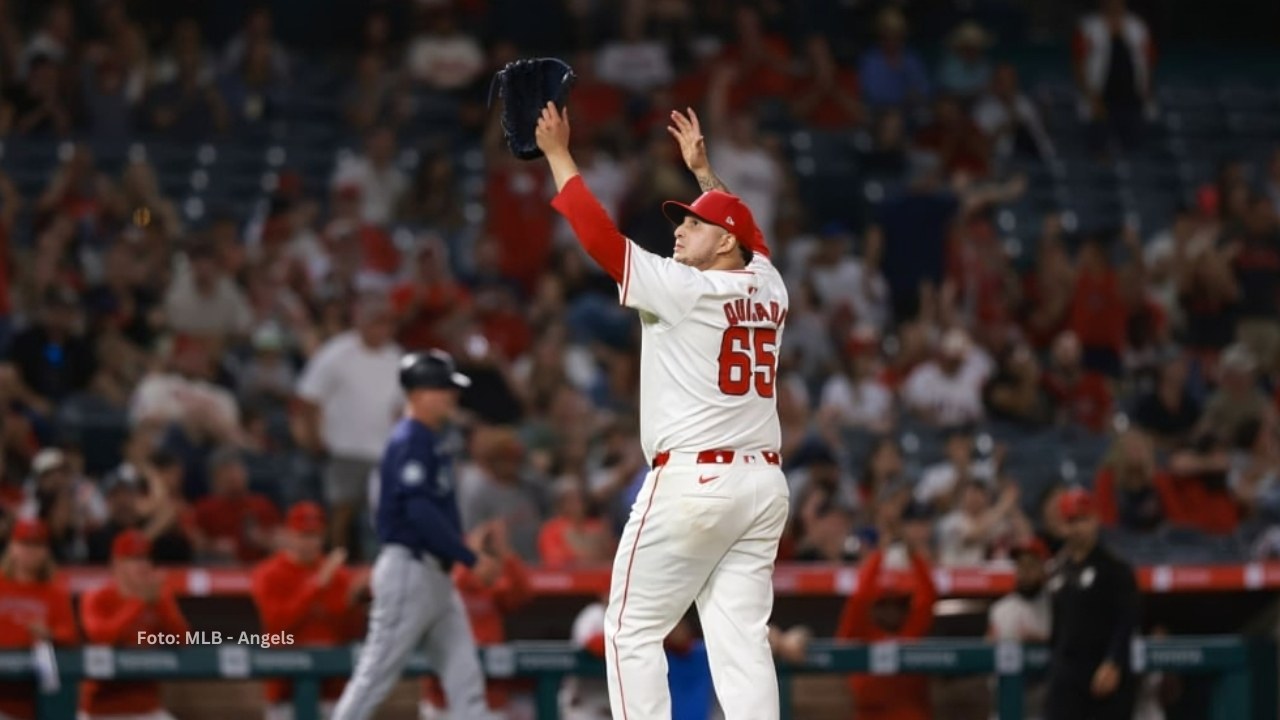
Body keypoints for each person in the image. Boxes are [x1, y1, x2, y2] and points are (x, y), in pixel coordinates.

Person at [537, 102, 790, 720]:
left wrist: (558, 155)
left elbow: (600, 239)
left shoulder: (686, 290)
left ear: (722, 241)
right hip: (762, 485)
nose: (678, 231)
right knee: (742, 644)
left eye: (694, 225)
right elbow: (750, 236)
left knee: (628, 631)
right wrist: (704, 175)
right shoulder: (770, 285)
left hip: (695, 484)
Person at [331, 350, 502, 720]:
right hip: (410, 570)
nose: (452, 397)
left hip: (435, 576)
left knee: (465, 679)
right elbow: (419, 512)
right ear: (421, 392)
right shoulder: (411, 439)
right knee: (374, 677)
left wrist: (459, 551)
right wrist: (470, 558)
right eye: (444, 389)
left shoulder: (429, 438)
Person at [252, 502, 368, 720]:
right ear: (289, 535)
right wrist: (315, 586)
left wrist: (356, 603)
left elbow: (348, 633)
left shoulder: (339, 575)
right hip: (285, 692)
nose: (309, 542)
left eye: (314, 535)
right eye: (302, 535)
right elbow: (277, 625)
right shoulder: (268, 573)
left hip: (333, 692)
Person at [1045, 488, 1139, 720]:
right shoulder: (1057, 569)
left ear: (1096, 519)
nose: (1079, 527)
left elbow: (1128, 619)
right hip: (1066, 675)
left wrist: (1113, 662)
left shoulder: (1115, 569)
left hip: (1102, 671)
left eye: (1084, 519)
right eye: (1072, 520)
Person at [79, 530, 189, 720]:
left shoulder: (159, 597)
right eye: (134, 559)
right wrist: (139, 604)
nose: (144, 565)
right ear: (116, 564)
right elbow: (103, 637)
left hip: (146, 707)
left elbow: (183, 640)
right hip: (102, 709)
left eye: (146, 559)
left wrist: (161, 604)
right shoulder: (97, 597)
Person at [835, 541, 937, 720]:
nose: (892, 611)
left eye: (899, 605)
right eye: (885, 604)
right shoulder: (861, 632)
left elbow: (928, 597)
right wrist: (879, 555)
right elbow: (859, 599)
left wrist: (914, 556)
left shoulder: (910, 632)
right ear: (874, 607)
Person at [0, 519, 78, 720]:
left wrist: (50, 634)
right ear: (13, 548)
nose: (31, 552)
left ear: (46, 552)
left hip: (30, 696)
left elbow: (70, 634)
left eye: (37, 545)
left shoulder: (55, 592)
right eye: (25, 544)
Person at [987, 538, 1052, 720]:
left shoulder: (1058, 607)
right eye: (1020, 565)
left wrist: (1044, 643)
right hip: (1007, 702)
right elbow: (988, 654)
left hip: (1045, 705)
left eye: (1031, 565)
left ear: (1043, 569)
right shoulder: (1001, 609)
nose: (1025, 572)